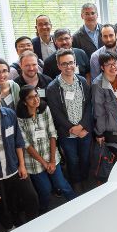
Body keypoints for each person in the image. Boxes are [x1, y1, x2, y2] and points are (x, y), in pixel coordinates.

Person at [0, 81, 39, 229]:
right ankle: (12, 229)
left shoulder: (9, 114)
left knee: (32, 198)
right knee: (5, 207)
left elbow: (18, 141)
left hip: (14, 167)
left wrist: (22, 165)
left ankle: (34, 226)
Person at [16, 85, 76, 213]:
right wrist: (44, 163)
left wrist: (52, 161)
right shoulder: (20, 118)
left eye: (36, 95)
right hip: (34, 162)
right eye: (30, 98)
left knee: (61, 184)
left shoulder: (44, 109)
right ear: (24, 102)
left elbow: (52, 133)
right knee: (45, 190)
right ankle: (43, 213)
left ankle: (78, 204)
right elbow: (26, 144)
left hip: (51, 155)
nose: (35, 99)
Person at [46, 49, 94, 194]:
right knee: (72, 160)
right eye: (64, 64)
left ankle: (85, 179)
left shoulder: (82, 81)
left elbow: (89, 105)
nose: (68, 66)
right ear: (59, 66)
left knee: (85, 157)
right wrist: (73, 129)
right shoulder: (52, 88)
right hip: (67, 133)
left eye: (71, 63)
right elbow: (56, 113)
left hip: (84, 130)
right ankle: (76, 181)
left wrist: (82, 126)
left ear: (75, 63)